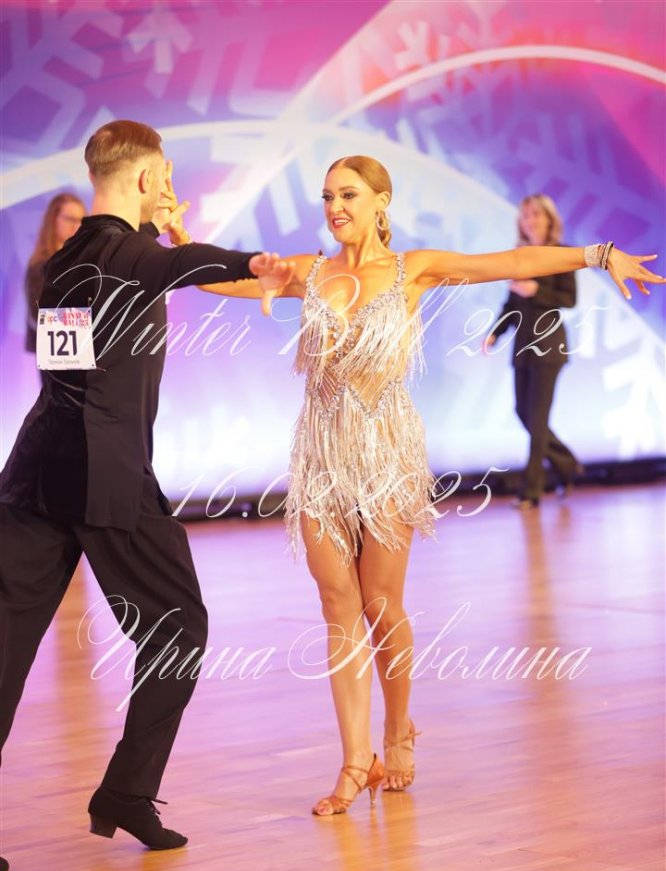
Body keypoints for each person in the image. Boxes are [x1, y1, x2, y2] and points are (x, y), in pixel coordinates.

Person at [203, 155, 663, 818]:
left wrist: (598, 254)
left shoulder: (412, 269)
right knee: (337, 604)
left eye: (349, 195)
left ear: (380, 201)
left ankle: (398, 727)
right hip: (322, 457)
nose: (335, 207)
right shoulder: (309, 271)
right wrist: (169, 239)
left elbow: (510, 262)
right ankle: (354, 761)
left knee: (380, 603)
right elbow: (216, 280)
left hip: (387, 454)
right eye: (327, 196)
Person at [0, 119, 290, 871]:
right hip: (105, 476)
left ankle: (127, 793)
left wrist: (165, 232)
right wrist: (250, 263)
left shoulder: (65, 260)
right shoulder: (129, 255)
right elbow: (179, 263)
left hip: (35, 472)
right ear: (142, 177)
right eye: (162, 175)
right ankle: (128, 791)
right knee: (180, 627)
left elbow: (85, 346)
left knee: (5, 643)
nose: (168, 186)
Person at [484, 194, 582, 508]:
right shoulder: (520, 256)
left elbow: (569, 299)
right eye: (526, 215)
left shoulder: (562, 255)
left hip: (549, 346)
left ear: (549, 219)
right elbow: (511, 304)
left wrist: (537, 289)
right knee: (523, 413)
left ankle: (531, 491)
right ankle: (567, 465)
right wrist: (495, 332)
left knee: (537, 422)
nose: (530, 221)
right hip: (523, 346)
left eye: (536, 214)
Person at [25, 193, 86, 358]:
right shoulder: (40, 265)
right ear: (53, 220)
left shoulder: (87, 262)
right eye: (70, 219)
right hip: (55, 352)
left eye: (81, 220)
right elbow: (37, 313)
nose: (76, 226)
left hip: (84, 349)